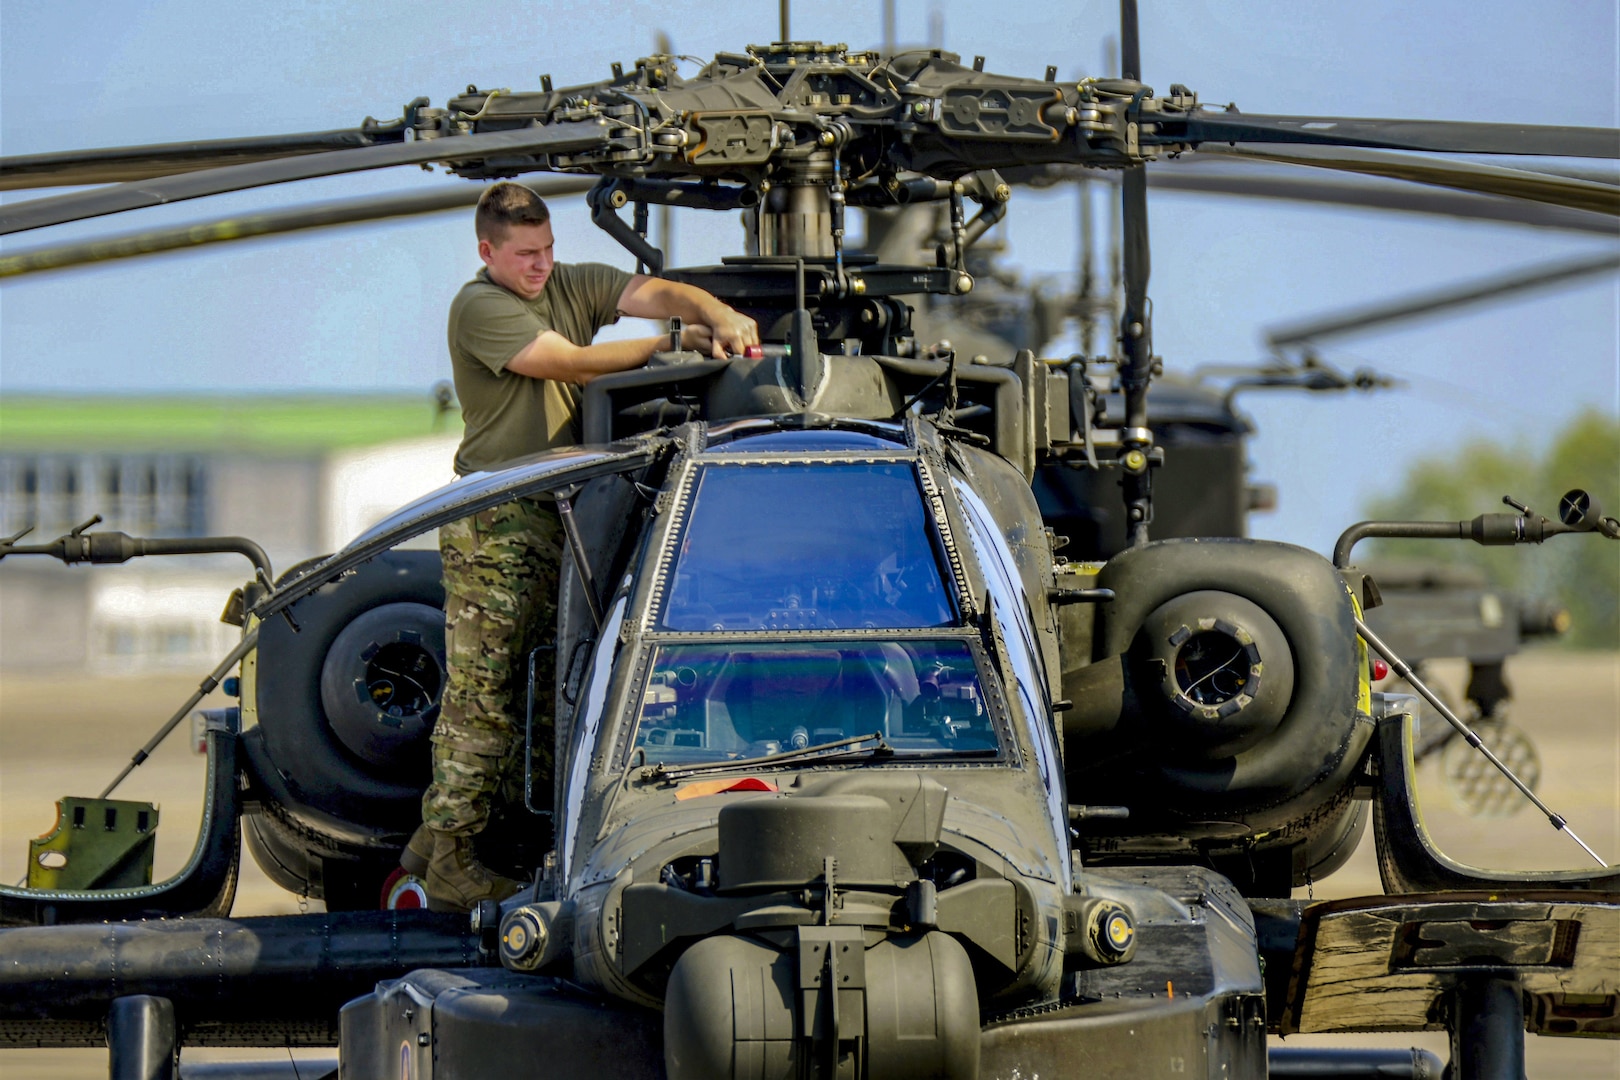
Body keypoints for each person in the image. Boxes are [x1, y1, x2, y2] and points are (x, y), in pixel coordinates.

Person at [403, 181, 758, 911]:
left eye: (548, 250)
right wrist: (671, 345)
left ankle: (447, 844)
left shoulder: (567, 283)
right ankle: (449, 863)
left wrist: (711, 312)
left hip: (554, 511)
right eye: (525, 255)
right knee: (486, 695)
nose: (541, 266)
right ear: (488, 252)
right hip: (494, 517)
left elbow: (653, 293)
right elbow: (563, 361)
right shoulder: (480, 306)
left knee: (540, 688)